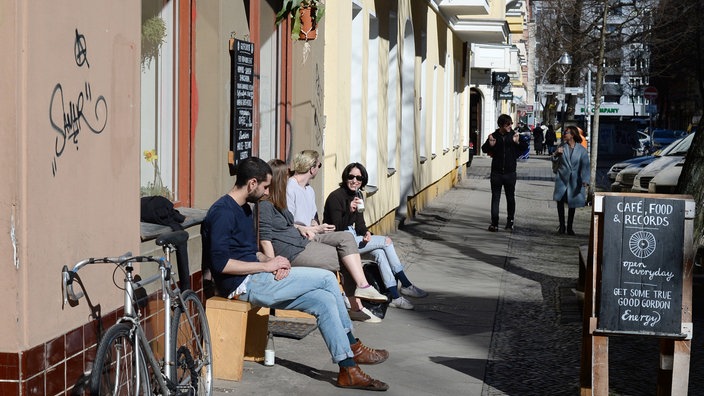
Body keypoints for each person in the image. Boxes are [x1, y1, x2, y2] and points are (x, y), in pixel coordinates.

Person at [201, 156, 389, 391]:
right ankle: (352, 345)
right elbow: (222, 264)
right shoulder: (222, 212)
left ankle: (348, 369)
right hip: (242, 285)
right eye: (265, 187)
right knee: (327, 278)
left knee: (323, 300)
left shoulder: (244, 209)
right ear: (251, 184)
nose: (268, 192)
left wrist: (273, 261)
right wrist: (265, 266)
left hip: (258, 276)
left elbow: (250, 254)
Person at [259, 159, 387, 323]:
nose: (291, 179)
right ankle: (357, 303)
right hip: (292, 251)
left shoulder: (278, 203)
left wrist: (303, 228)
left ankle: (360, 295)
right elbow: (265, 239)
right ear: (279, 179)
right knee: (346, 257)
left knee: (348, 242)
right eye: (288, 175)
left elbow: (289, 225)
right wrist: (273, 264)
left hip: (301, 241)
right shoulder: (264, 204)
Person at [323, 162, 428, 310]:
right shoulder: (336, 197)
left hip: (353, 238)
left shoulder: (358, 194)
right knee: (386, 241)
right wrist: (349, 209)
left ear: (363, 180)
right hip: (340, 242)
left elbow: (359, 224)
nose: (355, 181)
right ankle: (405, 284)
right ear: (345, 177)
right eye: (351, 177)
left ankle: (395, 297)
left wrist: (366, 233)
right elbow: (337, 227)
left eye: (359, 178)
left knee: (379, 252)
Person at [481, 114, 525, 232]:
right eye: (508, 124)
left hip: (510, 173)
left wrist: (517, 142)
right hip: (496, 173)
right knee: (495, 198)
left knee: (510, 198)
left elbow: (524, 148)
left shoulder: (514, 135)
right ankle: (494, 223)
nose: (510, 126)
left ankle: (510, 221)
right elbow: (484, 149)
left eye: (511, 123)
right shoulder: (494, 136)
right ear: (501, 125)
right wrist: (490, 145)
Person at [551, 126, 590, 235]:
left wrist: (586, 180)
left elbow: (585, 166)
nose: (564, 134)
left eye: (566, 133)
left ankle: (570, 227)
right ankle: (562, 226)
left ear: (572, 135)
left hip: (575, 180)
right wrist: (556, 154)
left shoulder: (581, 150)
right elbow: (554, 160)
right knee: (560, 202)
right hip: (562, 179)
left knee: (572, 203)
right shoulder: (562, 146)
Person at [287, 150, 334, 233]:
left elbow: (313, 219)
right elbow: (288, 223)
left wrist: (319, 227)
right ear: (312, 169)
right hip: (296, 237)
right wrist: (316, 229)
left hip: (311, 235)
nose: (319, 168)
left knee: (344, 238)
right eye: (319, 165)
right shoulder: (290, 187)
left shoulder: (309, 190)